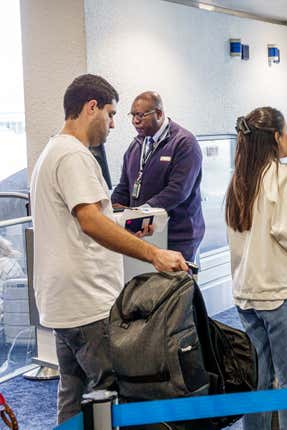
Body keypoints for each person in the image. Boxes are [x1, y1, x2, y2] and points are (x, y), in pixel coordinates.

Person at [30, 74, 188, 423]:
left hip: (64, 301)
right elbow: (89, 220)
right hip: (89, 303)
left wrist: (130, 225)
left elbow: (85, 220)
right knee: (113, 394)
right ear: (91, 108)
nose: (115, 124)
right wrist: (153, 254)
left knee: (73, 399)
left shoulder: (51, 151)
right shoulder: (73, 155)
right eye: (111, 113)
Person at [225, 107, 287, 430]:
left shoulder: (238, 181)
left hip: (247, 295)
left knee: (260, 382)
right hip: (282, 294)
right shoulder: (285, 177)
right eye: (286, 132)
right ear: (276, 138)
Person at [111, 91, 205, 262]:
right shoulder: (137, 145)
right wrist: (108, 212)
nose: (135, 121)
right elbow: (124, 187)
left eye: (140, 115)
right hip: (145, 233)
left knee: (176, 288)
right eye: (132, 115)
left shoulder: (184, 143)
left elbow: (178, 191)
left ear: (159, 114)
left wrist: (141, 213)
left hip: (178, 237)